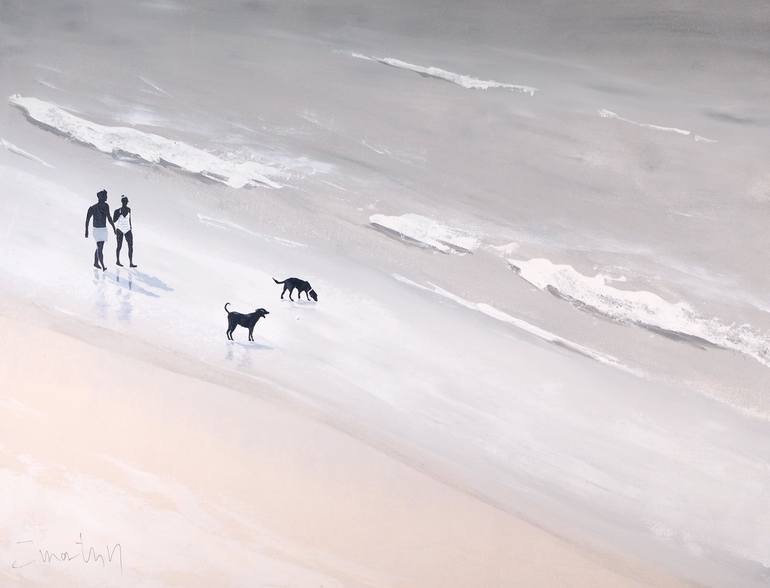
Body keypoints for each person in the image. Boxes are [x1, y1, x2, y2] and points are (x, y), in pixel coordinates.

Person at [85, 189, 116, 270]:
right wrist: (86, 231)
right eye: (105, 196)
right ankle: (103, 266)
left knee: (99, 247)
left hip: (104, 230)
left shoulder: (106, 206)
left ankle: (96, 262)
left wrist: (114, 227)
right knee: (100, 247)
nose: (106, 197)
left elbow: (109, 217)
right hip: (97, 230)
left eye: (106, 195)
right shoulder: (92, 208)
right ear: (100, 197)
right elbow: (87, 220)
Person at [113, 195, 137, 268]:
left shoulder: (129, 209)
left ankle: (131, 263)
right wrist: (119, 214)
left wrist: (130, 226)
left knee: (130, 246)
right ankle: (117, 261)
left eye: (126, 201)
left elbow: (129, 218)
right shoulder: (117, 210)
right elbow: (114, 220)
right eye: (124, 201)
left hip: (127, 229)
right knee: (119, 246)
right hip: (119, 229)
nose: (126, 202)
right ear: (122, 202)